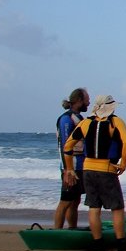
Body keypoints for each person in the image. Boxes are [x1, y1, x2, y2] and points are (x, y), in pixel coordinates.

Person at [63, 95, 126, 251]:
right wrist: (123, 163)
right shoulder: (115, 122)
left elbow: (67, 146)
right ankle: (121, 248)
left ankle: (98, 248)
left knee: (94, 207)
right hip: (107, 169)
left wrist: (69, 168)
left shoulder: (85, 123)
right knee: (117, 208)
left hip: (88, 169)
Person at [54, 87, 89, 229]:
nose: (89, 102)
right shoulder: (66, 119)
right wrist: (68, 170)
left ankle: (72, 228)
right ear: (79, 100)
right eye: (87, 99)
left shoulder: (79, 118)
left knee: (75, 201)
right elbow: (64, 145)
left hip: (80, 166)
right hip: (71, 167)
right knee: (65, 201)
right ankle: (57, 232)